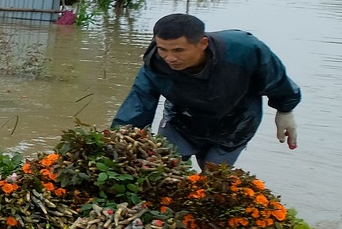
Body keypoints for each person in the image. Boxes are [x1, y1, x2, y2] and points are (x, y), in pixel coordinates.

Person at [111, 12, 300, 168]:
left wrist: (285, 109)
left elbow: (275, 78)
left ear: (202, 43)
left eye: (178, 50)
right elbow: (138, 105)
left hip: (235, 124)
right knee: (163, 169)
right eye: (163, 49)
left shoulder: (245, 49)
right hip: (181, 121)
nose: (170, 58)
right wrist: (119, 142)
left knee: (212, 182)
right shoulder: (155, 64)